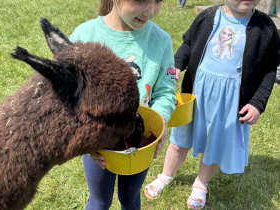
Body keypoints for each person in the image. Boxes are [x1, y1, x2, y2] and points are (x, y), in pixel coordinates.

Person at [144, 0, 280, 209]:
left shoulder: (265, 28)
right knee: (179, 141)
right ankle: (165, 176)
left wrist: (257, 103)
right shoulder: (208, 16)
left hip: (230, 102)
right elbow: (188, 44)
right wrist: (177, 65)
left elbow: (270, 69)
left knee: (215, 145)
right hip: (196, 95)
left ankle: (201, 184)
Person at [69, 0, 176, 209]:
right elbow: (69, 98)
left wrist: (159, 119)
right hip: (99, 144)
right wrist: (86, 140)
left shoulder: (161, 41)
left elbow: (165, 92)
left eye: (158, 1)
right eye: (142, 1)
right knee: (100, 202)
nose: (152, 11)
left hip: (141, 143)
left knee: (130, 197)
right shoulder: (83, 37)